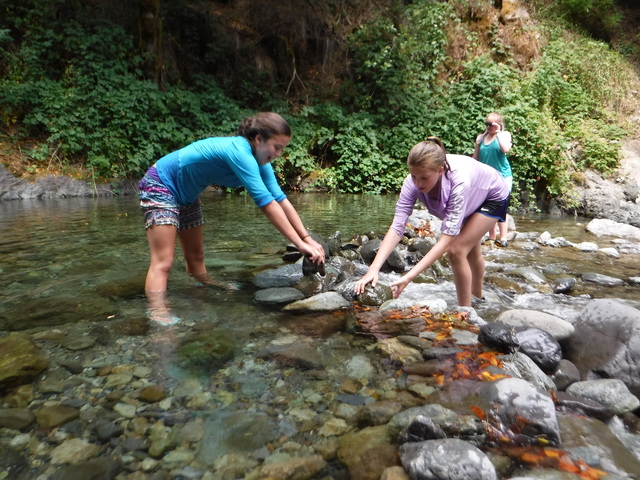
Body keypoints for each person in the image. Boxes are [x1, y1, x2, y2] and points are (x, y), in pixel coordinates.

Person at [139, 112, 325, 324]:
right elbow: (266, 203)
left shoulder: (261, 163)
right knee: (164, 261)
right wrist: (299, 245)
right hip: (161, 184)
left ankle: (201, 289)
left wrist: (306, 238)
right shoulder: (239, 151)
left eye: (282, 149)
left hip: (187, 196)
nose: (279, 154)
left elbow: (280, 199)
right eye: (276, 147)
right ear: (258, 139)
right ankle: (157, 311)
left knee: (196, 255)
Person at [353, 137, 509, 307]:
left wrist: (408, 277)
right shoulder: (411, 183)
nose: (418, 183)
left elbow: (446, 241)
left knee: (457, 250)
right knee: (471, 251)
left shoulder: (459, 182)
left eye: (424, 178)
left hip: (492, 195)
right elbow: (397, 227)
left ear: (440, 170)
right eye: (414, 176)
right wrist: (373, 269)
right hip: (473, 192)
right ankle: (478, 301)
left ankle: (466, 311)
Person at [472, 112, 513, 247]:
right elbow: (475, 159)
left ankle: (503, 238)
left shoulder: (504, 135)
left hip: (503, 176)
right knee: (489, 206)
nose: (488, 127)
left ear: (498, 124)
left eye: (491, 124)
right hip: (487, 177)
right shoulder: (482, 138)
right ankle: (492, 237)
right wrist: (478, 143)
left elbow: (505, 149)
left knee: (501, 205)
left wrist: (498, 132)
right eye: (487, 124)